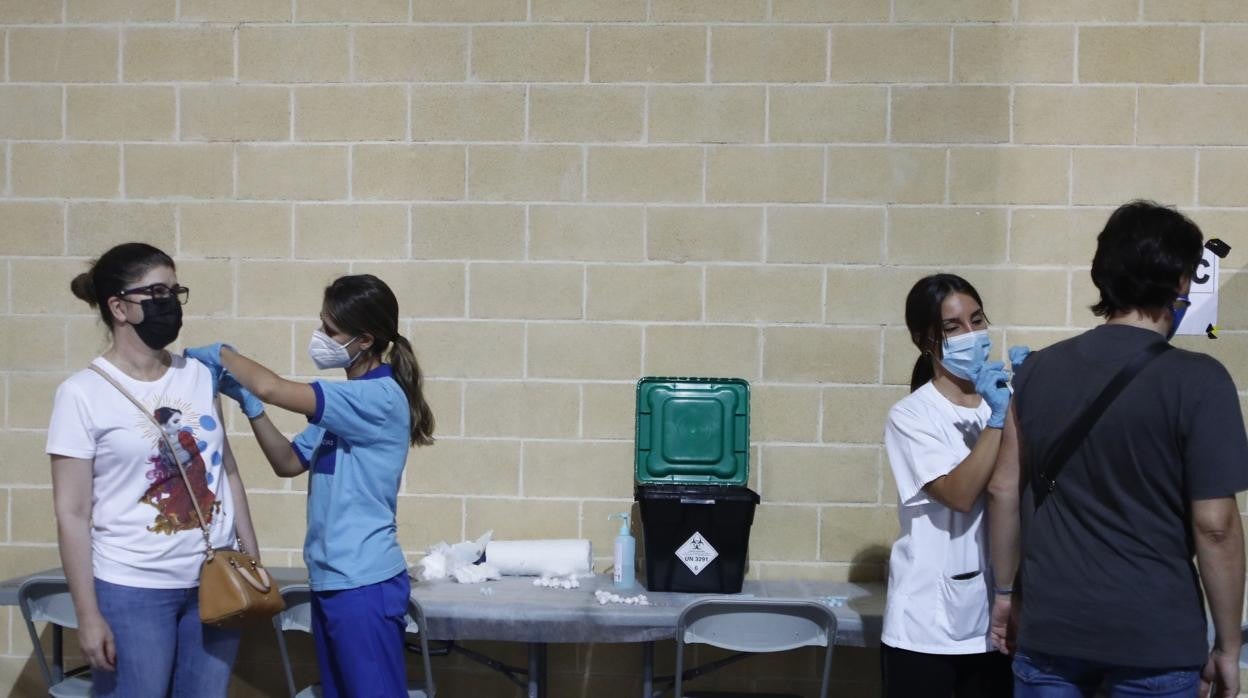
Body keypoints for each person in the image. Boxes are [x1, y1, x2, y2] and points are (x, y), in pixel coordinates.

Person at [988, 200, 1248, 698]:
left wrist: (1004, 593)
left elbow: (1003, 490)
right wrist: (1228, 645)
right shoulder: (1200, 382)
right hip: (1155, 634)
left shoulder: (1037, 370)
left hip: (1051, 626)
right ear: (1179, 280)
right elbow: (1215, 527)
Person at [186, 274, 435, 698]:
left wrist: (224, 355)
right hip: (331, 581)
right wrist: (251, 407)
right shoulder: (346, 405)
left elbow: (272, 386)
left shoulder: (377, 397)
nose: (320, 336)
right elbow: (287, 462)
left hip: (363, 585)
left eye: (330, 330)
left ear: (365, 340)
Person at [46, 242, 261, 697]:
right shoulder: (81, 394)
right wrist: (88, 614)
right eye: (157, 292)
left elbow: (227, 471)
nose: (170, 303)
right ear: (119, 307)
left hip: (215, 579)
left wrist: (251, 559)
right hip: (133, 588)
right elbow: (72, 512)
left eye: (175, 291)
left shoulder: (199, 375)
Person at [880, 273, 1024, 698]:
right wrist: (998, 420)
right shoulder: (911, 416)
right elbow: (959, 494)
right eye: (953, 327)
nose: (971, 335)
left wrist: (1030, 399)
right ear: (925, 340)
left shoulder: (1005, 396)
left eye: (977, 321)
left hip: (999, 621)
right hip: (927, 628)